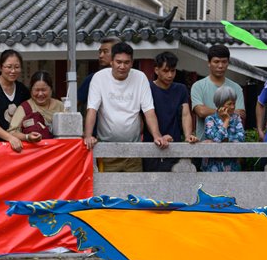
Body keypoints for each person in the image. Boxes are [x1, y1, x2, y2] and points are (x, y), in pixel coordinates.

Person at [83, 42, 169, 173]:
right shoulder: (99, 78)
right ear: (111, 61)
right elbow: (92, 110)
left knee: (134, 191)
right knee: (108, 191)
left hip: (133, 149)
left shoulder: (140, 77)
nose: (122, 66)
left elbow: (149, 111)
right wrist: (88, 135)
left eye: (126, 62)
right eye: (118, 62)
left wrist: (157, 135)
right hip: (107, 149)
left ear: (132, 62)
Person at [144, 51, 196, 172]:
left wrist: (188, 136)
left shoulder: (181, 89)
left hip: (175, 145)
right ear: (156, 70)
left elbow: (186, 114)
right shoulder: (147, 88)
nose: (170, 75)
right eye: (166, 71)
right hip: (151, 145)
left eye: (173, 71)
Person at [191, 44, 246, 133]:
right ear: (209, 63)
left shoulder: (236, 88)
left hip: (230, 141)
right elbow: (201, 112)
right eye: (216, 62)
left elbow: (240, 114)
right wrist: (230, 112)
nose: (220, 66)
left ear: (228, 63)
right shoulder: (198, 86)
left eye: (224, 62)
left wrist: (209, 111)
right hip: (205, 143)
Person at [8, 70, 65, 143]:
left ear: (51, 89)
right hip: (35, 152)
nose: (40, 94)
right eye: (36, 90)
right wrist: (27, 137)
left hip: (58, 151)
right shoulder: (25, 107)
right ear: (31, 90)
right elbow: (11, 133)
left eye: (44, 90)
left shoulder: (60, 106)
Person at [199, 87, 244, 173]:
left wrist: (224, 139)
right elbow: (216, 139)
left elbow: (240, 138)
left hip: (231, 165)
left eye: (234, 103)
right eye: (229, 104)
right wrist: (226, 121)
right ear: (220, 105)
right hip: (212, 166)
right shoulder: (210, 119)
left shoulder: (236, 118)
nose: (233, 107)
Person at [78, 36, 120, 109]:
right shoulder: (93, 78)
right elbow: (75, 103)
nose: (101, 56)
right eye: (100, 52)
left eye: (105, 52)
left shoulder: (135, 78)